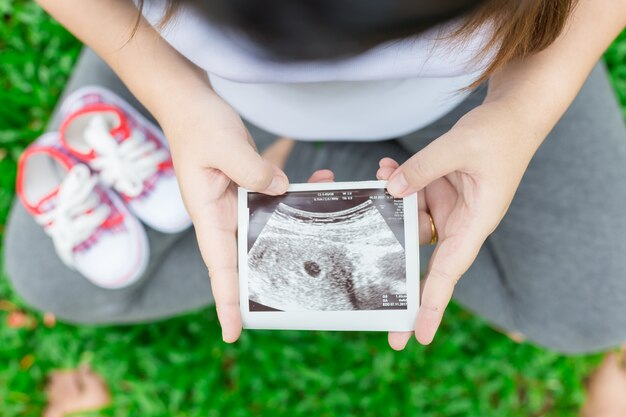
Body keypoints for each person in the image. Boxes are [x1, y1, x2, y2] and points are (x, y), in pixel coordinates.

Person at [6, 0, 626, 354]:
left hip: (486, 87)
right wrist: (171, 91)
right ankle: (289, 165)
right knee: (50, 280)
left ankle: (284, 169)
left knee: (598, 311)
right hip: (199, 91)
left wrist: (523, 109)